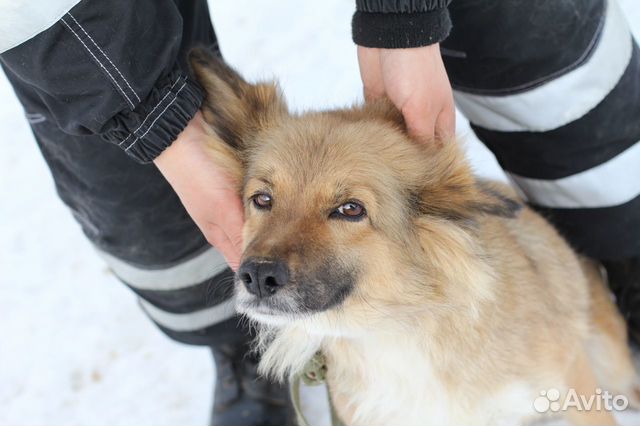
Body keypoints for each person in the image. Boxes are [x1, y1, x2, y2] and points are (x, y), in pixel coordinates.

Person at [1, 0, 638, 424]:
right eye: (264, 199)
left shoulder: (517, 335)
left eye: (346, 209)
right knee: (134, 189)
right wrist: (151, 119)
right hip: (51, 22)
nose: (267, 256)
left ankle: (624, 255)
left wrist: (403, 20)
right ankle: (244, 359)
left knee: (538, 49)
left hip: (524, 340)